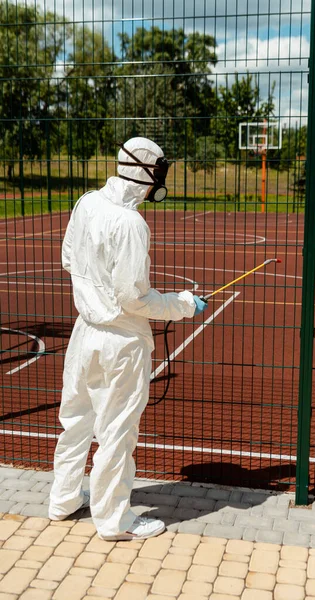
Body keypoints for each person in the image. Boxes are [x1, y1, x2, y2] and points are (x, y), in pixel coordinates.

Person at [48, 137, 208, 541]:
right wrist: (183, 304)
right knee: (117, 430)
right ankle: (114, 521)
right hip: (121, 342)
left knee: (76, 421)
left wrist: (94, 289)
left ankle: (63, 499)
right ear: (149, 173)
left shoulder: (87, 202)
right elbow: (133, 298)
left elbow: (69, 258)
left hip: (84, 334)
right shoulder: (132, 223)